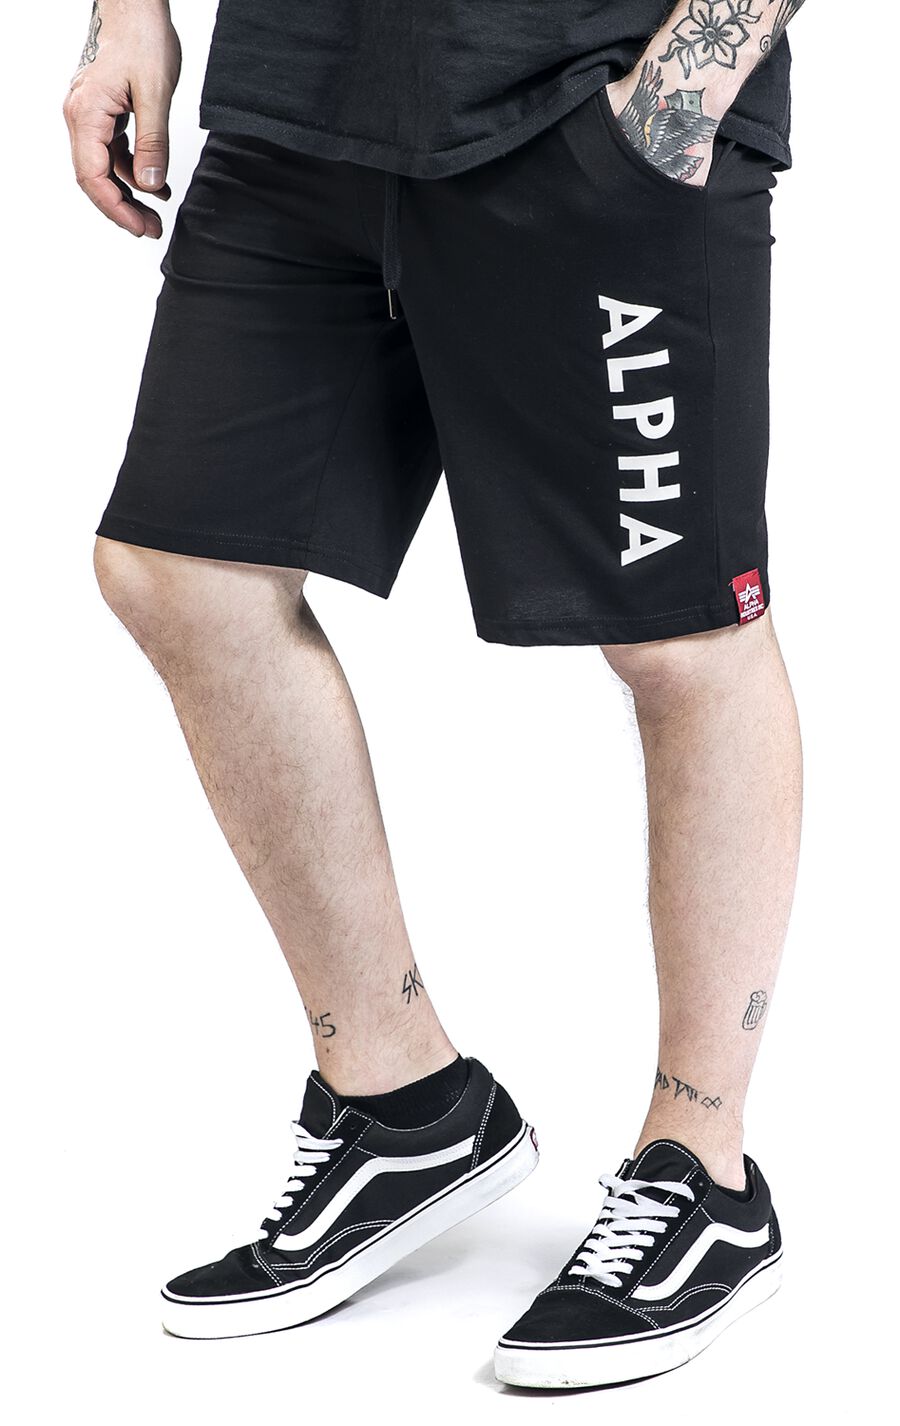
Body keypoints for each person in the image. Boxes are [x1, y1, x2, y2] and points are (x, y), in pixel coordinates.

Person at [63, 0, 806, 1386]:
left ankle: (703, 1164)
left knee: (682, 636)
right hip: (302, 98)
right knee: (181, 571)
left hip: (589, 94)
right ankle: (403, 1102)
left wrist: (689, 79)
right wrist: (125, 17)